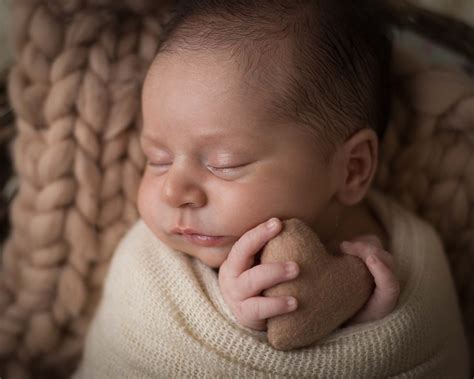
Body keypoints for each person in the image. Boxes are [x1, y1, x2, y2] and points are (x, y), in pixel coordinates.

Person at [73, 0, 469, 377]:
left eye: (225, 163)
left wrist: (372, 320)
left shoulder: (407, 252)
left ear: (352, 169)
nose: (173, 191)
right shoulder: (157, 266)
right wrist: (239, 317)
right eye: (156, 159)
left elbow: (422, 346)